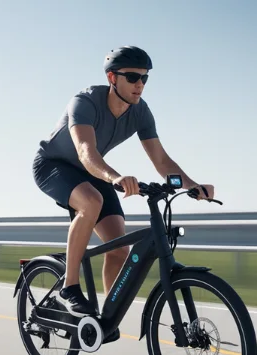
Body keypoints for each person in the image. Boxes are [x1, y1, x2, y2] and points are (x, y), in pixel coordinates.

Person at [32, 45, 215, 322]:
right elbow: (85, 151)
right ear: (112, 78)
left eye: (145, 78)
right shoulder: (85, 102)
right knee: (91, 201)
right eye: (132, 77)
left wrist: (191, 185)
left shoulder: (140, 112)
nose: (139, 84)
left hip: (93, 172)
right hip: (54, 166)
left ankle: (105, 319)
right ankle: (70, 287)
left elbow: (162, 161)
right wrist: (115, 178)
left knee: (120, 249)